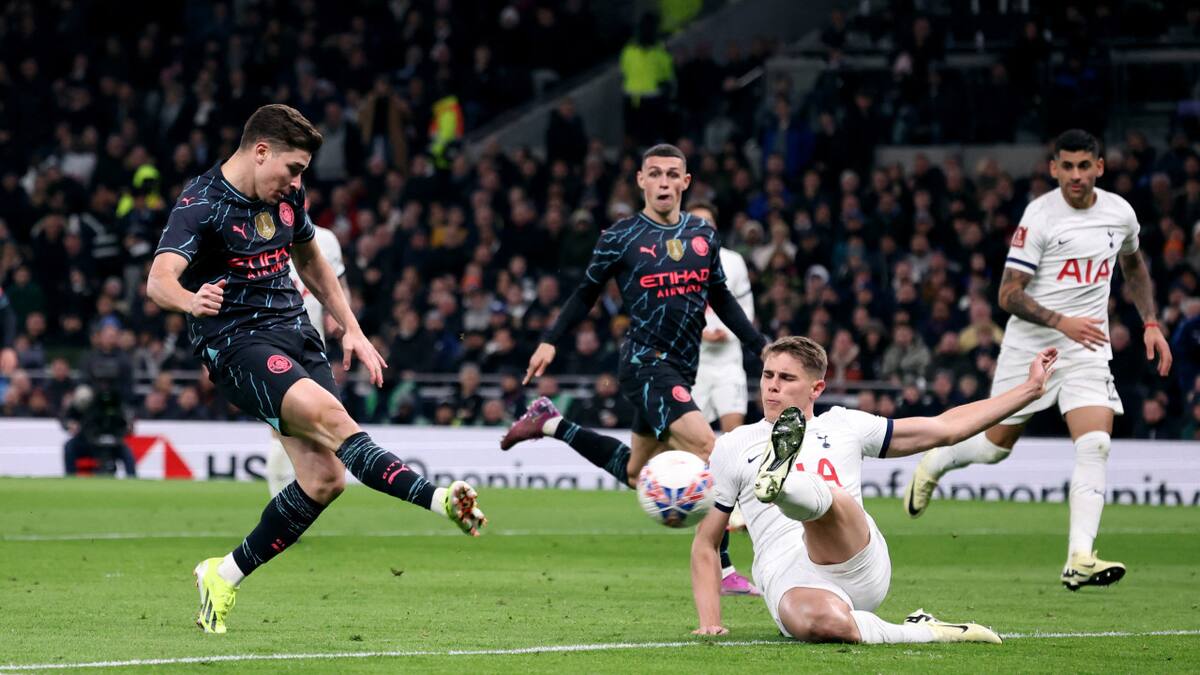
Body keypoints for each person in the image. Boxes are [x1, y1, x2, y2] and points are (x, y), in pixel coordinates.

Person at [147, 104, 485, 635]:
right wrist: (190, 301)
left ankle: (223, 574)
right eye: (294, 168)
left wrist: (350, 325)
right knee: (335, 420)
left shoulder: (286, 195)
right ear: (261, 152)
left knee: (326, 479)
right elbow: (159, 279)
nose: (298, 181)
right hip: (237, 344)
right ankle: (439, 497)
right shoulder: (201, 204)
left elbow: (310, 259)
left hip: (296, 335)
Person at [903, 129, 1172, 590]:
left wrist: (1150, 322)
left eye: (1084, 166)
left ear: (1099, 168)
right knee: (991, 449)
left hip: (1087, 347)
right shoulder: (1040, 217)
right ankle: (938, 460)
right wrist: (1061, 320)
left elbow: (1133, 265)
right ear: (1053, 168)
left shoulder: (1120, 213)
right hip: (1032, 347)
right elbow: (1008, 294)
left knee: (1096, 445)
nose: (1075, 175)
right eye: (1066, 166)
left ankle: (1079, 558)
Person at [502, 143, 766, 595]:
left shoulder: (704, 235)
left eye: (672, 175)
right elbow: (585, 293)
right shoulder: (620, 237)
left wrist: (760, 346)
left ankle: (552, 423)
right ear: (641, 181)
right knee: (709, 447)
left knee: (634, 472)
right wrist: (549, 340)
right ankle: (723, 571)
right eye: (655, 174)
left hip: (682, 368)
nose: (664, 182)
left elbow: (719, 297)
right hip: (644, 363)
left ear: (686, 183)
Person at [692, 336, 1059, 643]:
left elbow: (945, 428)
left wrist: (1029, 390)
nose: (772, 385)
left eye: (787, 378)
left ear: (817, 387)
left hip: (856, 558)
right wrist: (710, 621)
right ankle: (928, 631)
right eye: (768, 375)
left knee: (833, 499)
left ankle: (785, 486)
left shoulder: (845, 425)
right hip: (788, 575)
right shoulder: (734, 445)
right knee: (825, 624)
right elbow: (707, 541)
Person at [264, 215, 348, 498]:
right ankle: (280, 503)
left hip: (313, 348)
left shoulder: (325, 240)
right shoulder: (260, 233)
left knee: (323, 430)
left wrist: (341, 318)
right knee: (282, 429)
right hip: (271, 345)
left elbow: (337, 284)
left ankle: (294, 502)